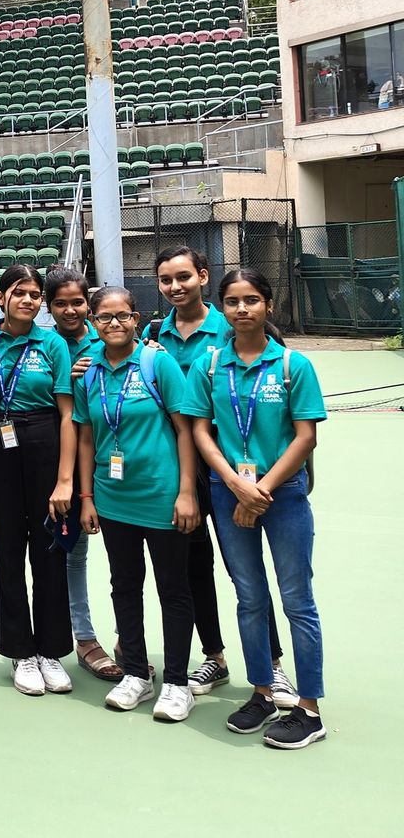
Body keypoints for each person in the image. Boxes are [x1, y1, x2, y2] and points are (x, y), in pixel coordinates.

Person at [185, 268, 328, 749]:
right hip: (229, 492)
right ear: (222, 307)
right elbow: (201, 429)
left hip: (281, 494)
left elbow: (305, 437)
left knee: (296, 599)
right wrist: (233, 483)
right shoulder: (209, 365)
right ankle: (263, 693)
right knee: (249, 597)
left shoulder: (291, 365)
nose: (242, 309)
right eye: (232, 301)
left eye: (251, 300)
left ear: (267, 304)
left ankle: (309, 709)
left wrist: (259, 490)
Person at [151, 245, 292, 705]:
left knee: (245, 573)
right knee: (194, 566)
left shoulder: (233, 327)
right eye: (166, 279)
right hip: (182, 472)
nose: (175, 286)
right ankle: (214, 655)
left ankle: (272, 664)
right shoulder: (153, 335)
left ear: (203, 276)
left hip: (234, 471)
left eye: (183, 277)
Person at [73, 285, 200, 723]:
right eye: (104, 317)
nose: (114, 324)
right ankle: (136, 673)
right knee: (124, 585)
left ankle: (178, 682)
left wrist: (187, 492)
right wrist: (87, 497)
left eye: (122, 316)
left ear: (136, 318)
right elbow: (86, 437)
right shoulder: (88, 371)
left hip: (162, 497)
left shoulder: (156, 362)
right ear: (93, 323)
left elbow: (185, 429)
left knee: (173, 588)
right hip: (113, 500)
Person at [0, 263, 76, 697]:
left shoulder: (52, 343)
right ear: (0, 298)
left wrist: (65, 479)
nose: (28, 300)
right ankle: (20, 652)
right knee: (8, 549)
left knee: (50, 548)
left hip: (46, 439)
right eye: (19, 292)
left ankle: (51, 650)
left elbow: (68, 413)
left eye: (35, 294)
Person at [44, 267, 123, 684]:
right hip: (64, 467)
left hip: (113, 466)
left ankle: (129, 639)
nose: (70, 310)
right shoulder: (45, 346)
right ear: (49, 307)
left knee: (126, 554)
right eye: (61, 303)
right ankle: (85, 637)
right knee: (74, 552)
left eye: (78, 302)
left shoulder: (108, 340)